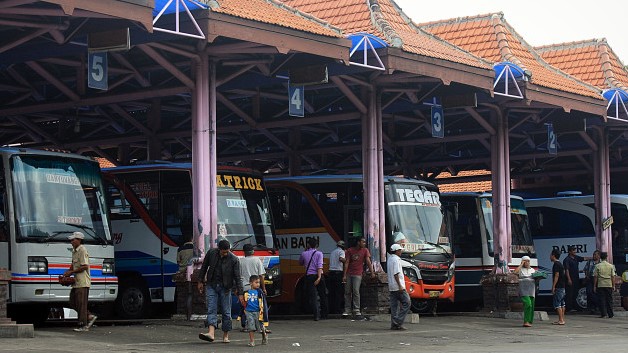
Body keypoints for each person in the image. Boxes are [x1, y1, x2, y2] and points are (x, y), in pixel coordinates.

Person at [196, 239, 244, 343]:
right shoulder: (212, 253)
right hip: (211, 285)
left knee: (226, 311)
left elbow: (237, 277)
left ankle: (226, 335)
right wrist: (200, 281)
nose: (225, 253)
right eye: (223, 252)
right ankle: (211, 333)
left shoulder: (234, 259)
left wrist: (240, 293)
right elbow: (204, 267)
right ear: (219, 249)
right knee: (211, 308)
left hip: (226, 288)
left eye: (227, 251)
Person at [62, 231, 97, 332]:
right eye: (71, 240)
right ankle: (89, 316)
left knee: (81, 304)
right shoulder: (74, 251)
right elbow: (73, 264)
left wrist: (72, 272)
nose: (71, 242)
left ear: (79, 240)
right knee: (72, 302)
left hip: (82, 282)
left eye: (73, 240)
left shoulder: (82, 250)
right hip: (76, 282)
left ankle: (83, 325)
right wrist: (68, 271)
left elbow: (85, 266)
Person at [342, 237, 375, 319]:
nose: (364, 243)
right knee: (347, 291)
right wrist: (344, 275)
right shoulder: (350, 250)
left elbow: (368, 262)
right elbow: (347, 263)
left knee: (356, 291)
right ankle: (347, 309)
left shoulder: (365, 250)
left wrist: (372, 272)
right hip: (349, 273)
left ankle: (356, 309)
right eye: (363, 242)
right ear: (358, 242)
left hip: (358, 273)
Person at [238, 243, 269, 332]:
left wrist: (238, 289)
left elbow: (238, 277)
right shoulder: (257, 260)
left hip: (245, 289)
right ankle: (261, 325)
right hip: (256, 289)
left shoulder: (240, 261)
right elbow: (261, 276)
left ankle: (245, 326)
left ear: (244, 252)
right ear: (253, 252)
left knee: (245, 307)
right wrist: (263, 288)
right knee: (260, 307)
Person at [299, 237, 328, 321]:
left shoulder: (304, 254)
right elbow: (319, 266)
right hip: (319, 276)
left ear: (308, 245)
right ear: (316, 245)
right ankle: (324, 314)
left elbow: (300, 263)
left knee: (313, 296)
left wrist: (305, 251)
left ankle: (316, 316)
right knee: (323, 295)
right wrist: (319, 277)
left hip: (310, 276)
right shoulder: (319, 253)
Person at [387, 243, 410, 330]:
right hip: (398, 286)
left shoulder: (390, 259)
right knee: (407, 302)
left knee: (394, 307)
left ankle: (394, 324)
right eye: (400, 250)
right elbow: (396, 273)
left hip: (392, 286)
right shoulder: (396, 260)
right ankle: (398, 321)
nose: (401, 252)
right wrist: (400, 285)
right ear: (396, 251)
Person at [244, 275, 268, 347]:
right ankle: (252, 341)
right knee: (251, 327)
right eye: (256, 282)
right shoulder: (247, 292)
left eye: (259, 282)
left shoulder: (260, 292)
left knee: (260, 327)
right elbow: (244, 302)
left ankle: (264, 334)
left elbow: (263, 302)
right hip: (249, 312)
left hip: (258, 312)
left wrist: (263, 311)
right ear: (251, 283)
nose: (258, 284)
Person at [594, 251, 617, 319]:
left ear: (600, 257)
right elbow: (613, 276)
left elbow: (596, 277)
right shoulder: (611, 266)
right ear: (606, 257)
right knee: (609, 299)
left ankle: (603, 314)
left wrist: (594, 286)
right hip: (608, 284)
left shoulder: (597, 266)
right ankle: (611, 314)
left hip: (601, 284)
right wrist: (613, 285)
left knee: (602, 299)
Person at [514, 255, 536, 327]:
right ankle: (526, 321)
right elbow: (514, 272)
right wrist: (521, 264)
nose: (527, 263)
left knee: (531, 306)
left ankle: (529, 321)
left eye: (528, 261)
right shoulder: (520, 270)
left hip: (531, 289)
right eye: (525, 261)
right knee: (528, 303)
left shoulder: (532, 270)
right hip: (523, 290)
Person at [563, 245, 584, 311]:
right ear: (569, 251)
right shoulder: (567, 260)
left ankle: (574, 306)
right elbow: (567, 270)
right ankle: (569, 308)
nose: (575, 251)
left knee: (575, 293)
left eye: (575, 250)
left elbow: (584, 258)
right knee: (570, 293)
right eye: (573, 250)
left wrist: (594, 258)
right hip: (570, 279)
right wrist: (569, 279)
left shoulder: (576, 258)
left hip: (576, 278)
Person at [328, 240, 346, 314]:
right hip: (338, 273)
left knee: (331, 292)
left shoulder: (332, 252)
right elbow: (341, 259)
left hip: (331, 273)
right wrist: (347, 260)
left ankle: (331, 309)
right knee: (338, 292)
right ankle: (337, 309)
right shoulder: (341, 252)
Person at [551, 248, 566, 325]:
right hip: (563, 286)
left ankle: (561, 320)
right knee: (562, 303)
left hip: (558, 286)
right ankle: (562, 318)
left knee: (557, 304)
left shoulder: (556, 264)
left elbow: (556, 275)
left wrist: (553, 286)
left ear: (553, 255)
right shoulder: (561, 264)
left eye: (551, 255)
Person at [583, 250, 601, 314]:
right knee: (589, 292)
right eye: (593, 254)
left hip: (598, 279)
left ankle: (596, 306)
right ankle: (593, 306)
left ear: (599, 256)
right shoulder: (589, 261)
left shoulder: (600, 262)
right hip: (590, 279)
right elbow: (585, 269)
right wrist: (586, 275)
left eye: (595, 255)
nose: (594, 256)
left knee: (596, 292)